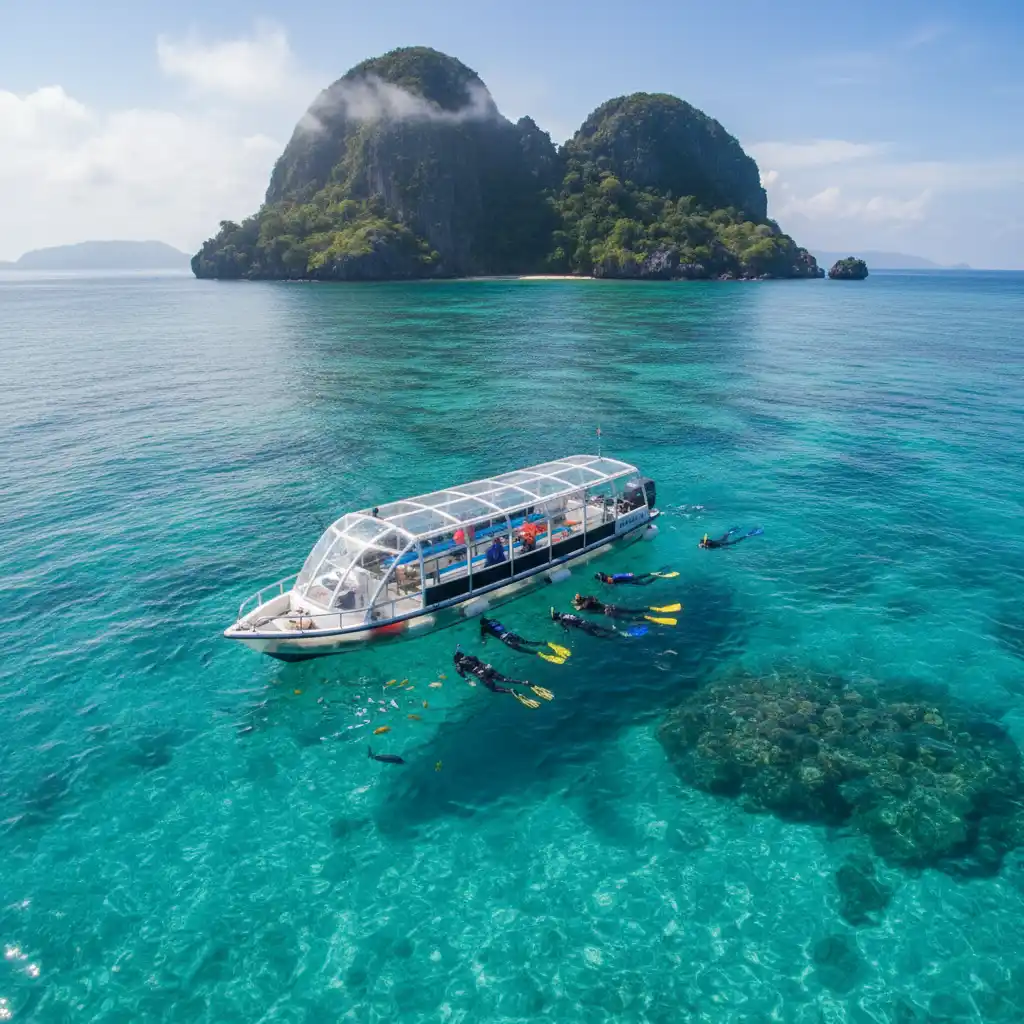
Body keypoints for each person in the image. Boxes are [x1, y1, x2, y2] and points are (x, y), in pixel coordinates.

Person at [452, 648, 550, 706]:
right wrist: (486, 667)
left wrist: (469, 681)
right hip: (488, 668)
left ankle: (510, 691)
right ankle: (524, 682)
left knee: (493, 689)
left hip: (481, 675)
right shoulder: (471, 657)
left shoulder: (458, 666)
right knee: (505, 679)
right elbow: (479, 662)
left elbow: (462, 674)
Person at [480, 616, 570, 663]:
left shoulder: (484, 627)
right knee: (527, 642)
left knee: (521, 649)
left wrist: (484, 641)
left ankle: (539, 653)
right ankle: (545, 643)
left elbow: (483, 637)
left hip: (506, 639)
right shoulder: (495, 620)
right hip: (511, 634)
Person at [572, 594, 682, 623]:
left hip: (608, 612)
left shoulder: (584, 606)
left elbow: (580, 608)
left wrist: (579, 605)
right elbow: (593, 599)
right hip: (611, 607)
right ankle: (651, 609)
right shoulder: (589, 598)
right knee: (631, 611)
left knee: (629, 619)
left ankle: (647, 618)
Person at [549, 608, 619, 637]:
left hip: (584, 627)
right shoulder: (565, 614)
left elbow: (566, 630)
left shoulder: (561, 621)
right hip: (586, 622)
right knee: (602, 628)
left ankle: (611, 638)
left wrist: (564, 631)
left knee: (597, 635)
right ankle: (618, 633)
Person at [594, 568, 678, 585]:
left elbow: (620, 575)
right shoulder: (607, 579)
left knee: (644, 582)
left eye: (608, 580)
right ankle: (655, 573)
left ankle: (657, 575)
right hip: (628, 581)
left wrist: (628, 574)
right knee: (641, 578)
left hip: (630, 579)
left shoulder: (615, 577)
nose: (608, 581)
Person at [699, 526, 763, 549]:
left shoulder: (709, 545)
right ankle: (731, 531)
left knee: (736, 541)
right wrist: (703, 544)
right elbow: (705, 541)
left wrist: (727, 549)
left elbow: (718, 546)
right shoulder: (707, 542)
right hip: (719, 541)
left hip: (723, 543)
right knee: (725, 535)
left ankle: (748, 535)